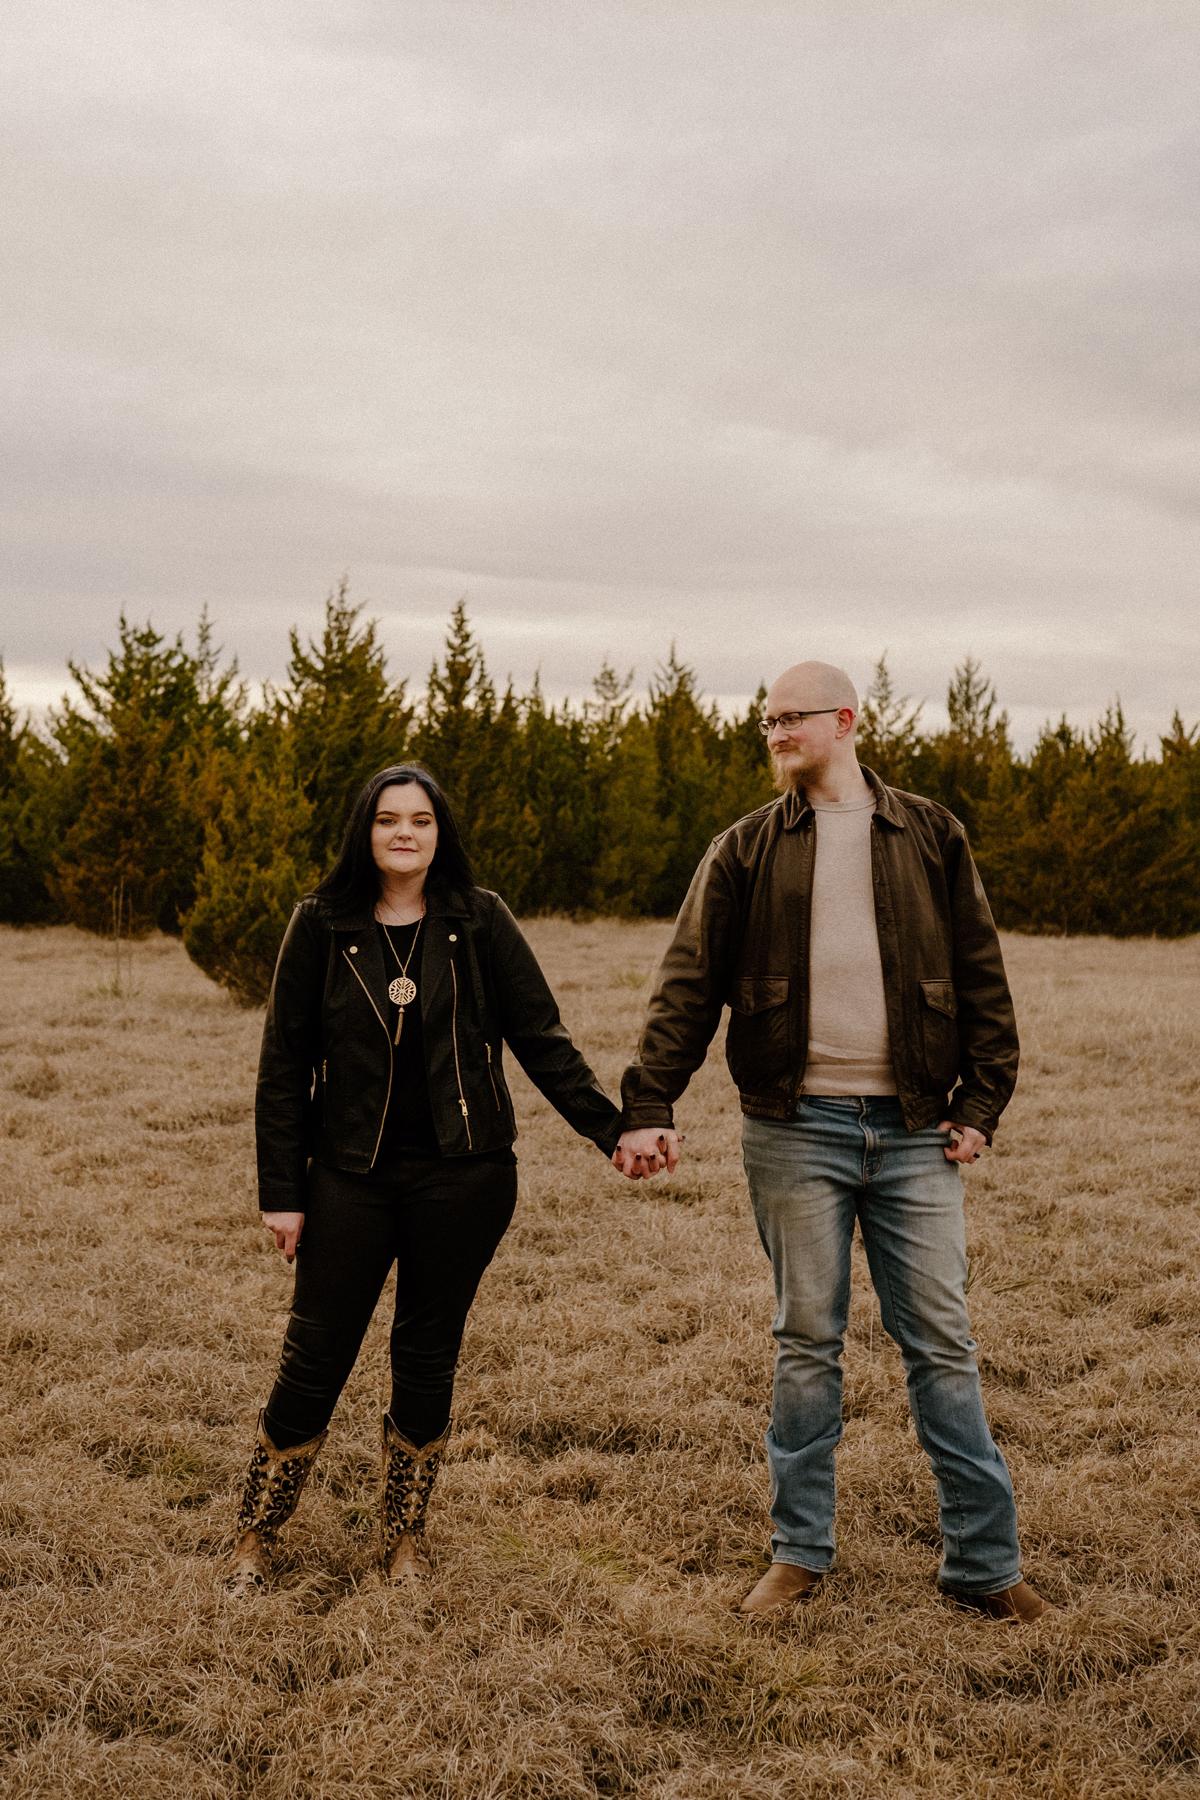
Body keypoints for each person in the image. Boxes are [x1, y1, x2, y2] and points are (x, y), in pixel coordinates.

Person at [612, 662, 1046, 1623]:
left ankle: (985, 1565)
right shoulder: (744, 848)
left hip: (916, 1131)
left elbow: (981, 974)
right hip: (793, 1128)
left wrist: (981, 1104)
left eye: (790, 718)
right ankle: (799, 1554)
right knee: (806, 1343)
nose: (773, 733)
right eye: (765, 721)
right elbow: (687, 985)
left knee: (942, 1343)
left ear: (845, 720)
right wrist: (649, 1103)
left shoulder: (931, 834)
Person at [228, 762, 622, 1594]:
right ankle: (255, 1535)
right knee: (315, 1353)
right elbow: (282, 1067)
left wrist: (611, 1131)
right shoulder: (321, 923)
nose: (403, 832)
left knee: (426, 1354)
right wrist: (282, 1192)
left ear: (441, 833)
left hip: (464, 1176)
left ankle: (403, 1541)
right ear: (363, 832)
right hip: (349, 1176)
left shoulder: (479, 921)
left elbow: (541, 1039)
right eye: (387, 819)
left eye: (420, 820)